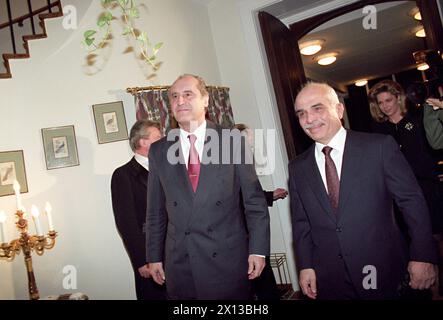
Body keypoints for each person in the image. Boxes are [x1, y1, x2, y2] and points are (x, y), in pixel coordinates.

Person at [289, 82, 437, 300]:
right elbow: (301, 223)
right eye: (301, 113)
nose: (309, 119)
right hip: (332, 280)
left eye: (317, 108)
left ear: (339, 110)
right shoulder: (297, 167)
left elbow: (411, 201)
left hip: (384, 272)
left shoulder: (378, 147)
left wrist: (423, 255)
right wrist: (306, 265)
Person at [146, 74, 270, 300]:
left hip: (227, 259)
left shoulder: (232, 141)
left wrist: (258, 249)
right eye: (174, 96)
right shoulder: (158, 150)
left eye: (187, 94)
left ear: (205, 100)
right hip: (181, 264)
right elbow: (155, 211)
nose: (180, 101)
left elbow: (255, 202)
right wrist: (153, 256)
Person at [368, 80, 443, 297]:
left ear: (398, 98)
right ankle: (432, 290)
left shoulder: (417, 121)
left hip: (426, 186)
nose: (385, 106)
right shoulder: (379, 130)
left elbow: (433, 147)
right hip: (397, 193)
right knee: (415, 238)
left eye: (389, 100)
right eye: (380, 102)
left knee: (436, 237)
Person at [111, 119, 166, 300]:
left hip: (177, 252)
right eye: (158, 137)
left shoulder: (168, 168)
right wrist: (142, 260)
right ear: (143, 142)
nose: (164, 139)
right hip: (149, 255)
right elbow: (126, 223)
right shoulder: (123, 175)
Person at [233, 123, 288, 300]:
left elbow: (251, 193)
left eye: (250, 141)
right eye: (246, 141)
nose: (250, 145)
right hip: (241, 228)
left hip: (252, 227)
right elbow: (241, 198)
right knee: (256, 269)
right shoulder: (229, 164)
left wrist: (271, 195)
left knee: (261, 265)